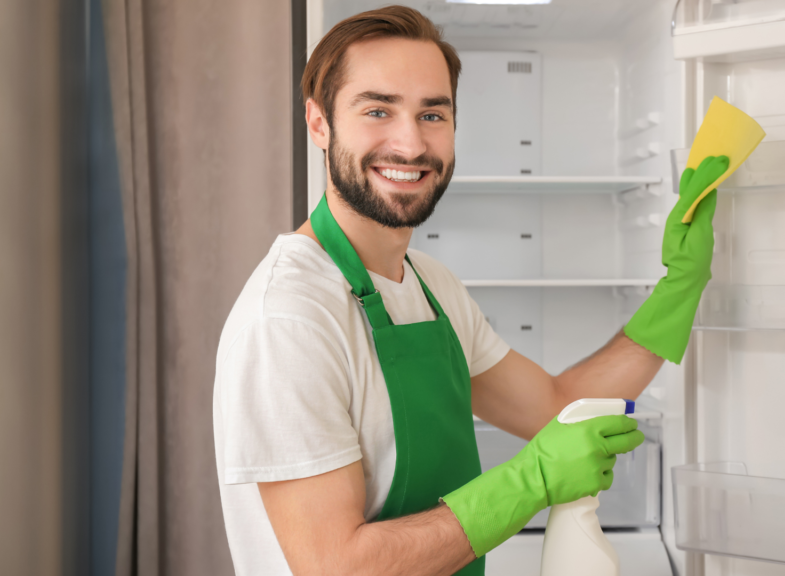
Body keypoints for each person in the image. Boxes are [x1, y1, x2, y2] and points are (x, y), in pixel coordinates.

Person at [212, 6, 727, 576]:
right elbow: (337, 566)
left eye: (432, 114)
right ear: (319, 123)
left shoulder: (434, 286)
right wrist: (529, 481)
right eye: (377, 110)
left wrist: (680, 286)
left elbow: (556, 408)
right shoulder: (290, 318)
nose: (409, 145)